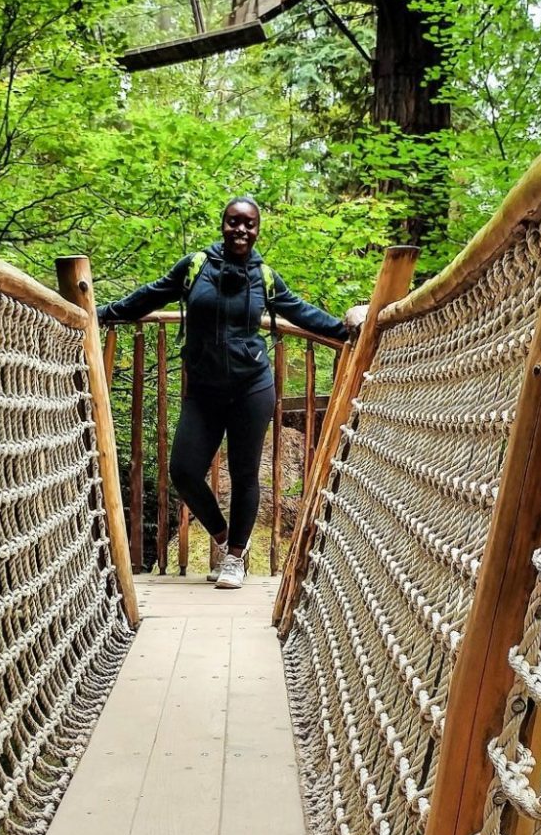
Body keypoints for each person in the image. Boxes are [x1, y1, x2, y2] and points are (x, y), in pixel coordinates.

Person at [98, 199, 366, 591]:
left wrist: (351, 326)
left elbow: (302, 312)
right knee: (185, 471)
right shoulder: (194, 268)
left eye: (249, 225)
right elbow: (150, 295)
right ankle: (224, 541)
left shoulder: (265, 277)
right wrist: (102, 311)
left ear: (258, 230)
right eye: (234, 222)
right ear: (223, 225)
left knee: (244, 475)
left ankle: (235, 559)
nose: (241, 230)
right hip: (203, 391)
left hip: (251, 388)